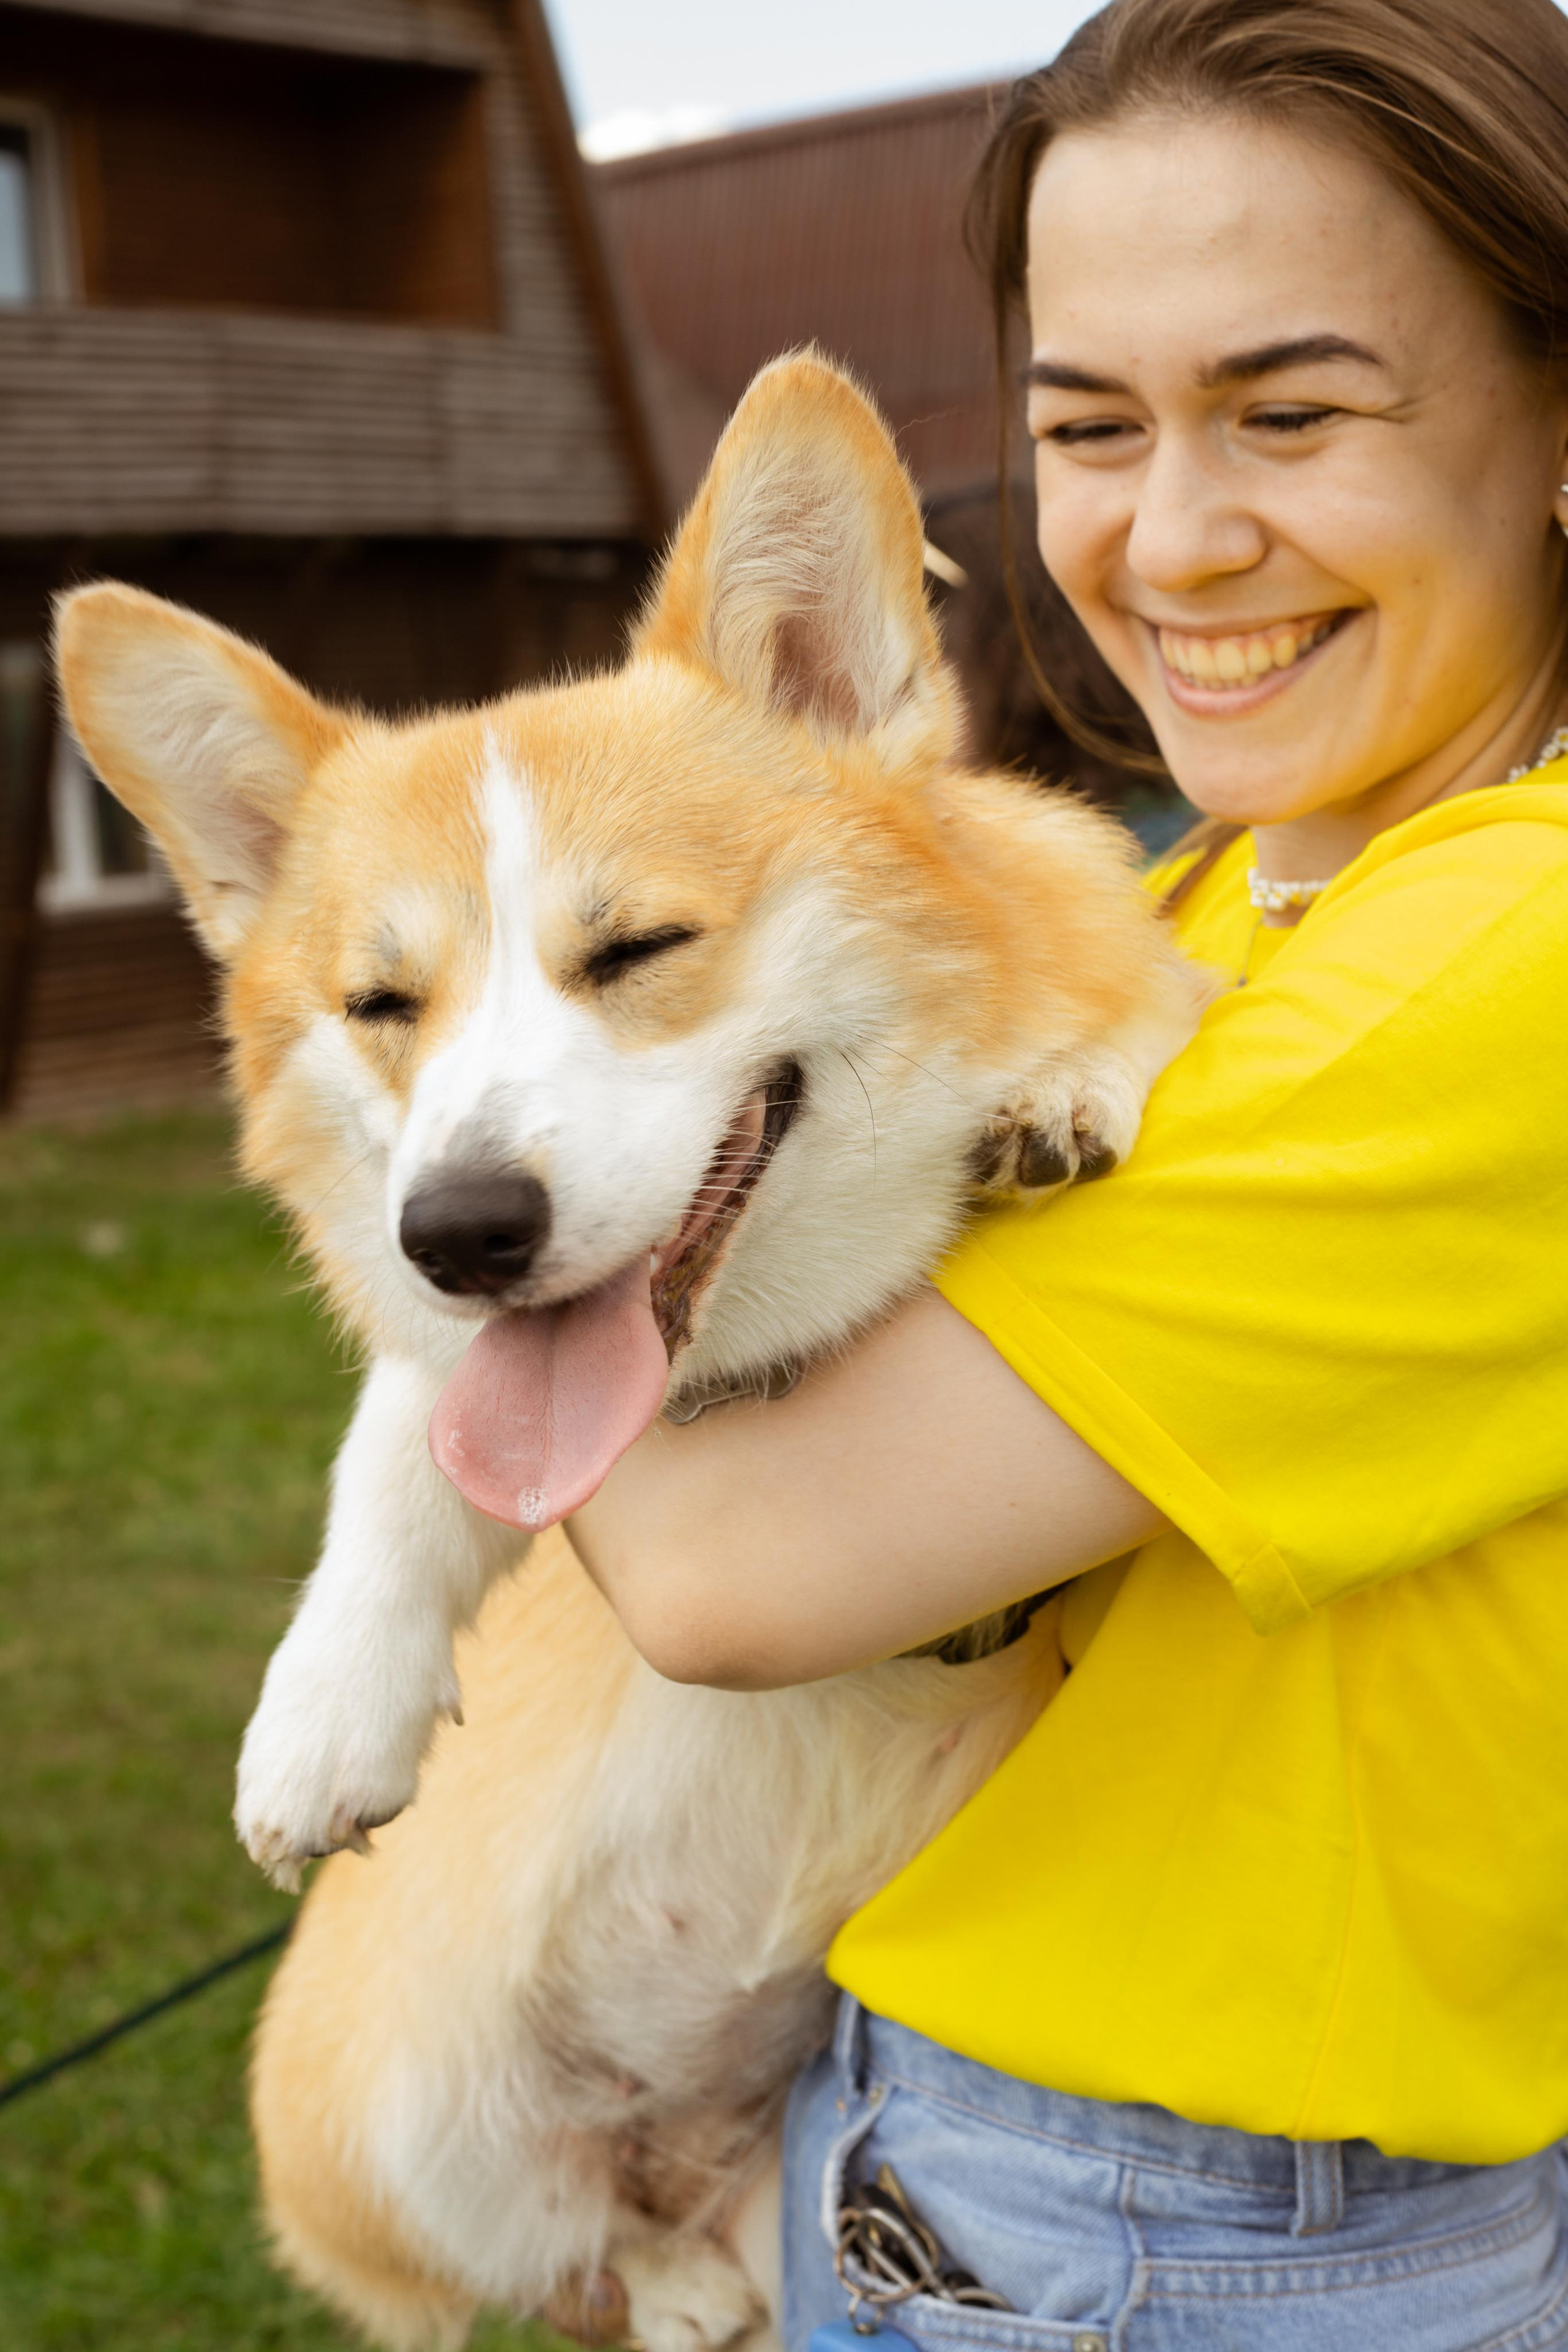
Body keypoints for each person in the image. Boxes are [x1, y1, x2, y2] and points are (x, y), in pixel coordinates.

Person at [570, 1, 1568, 2342]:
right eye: (1089, 428)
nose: (1176, 537)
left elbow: (727, 1558)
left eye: (1294, 412)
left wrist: (474, 1186)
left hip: (1190, 2235)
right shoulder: (1230, 904)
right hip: (1016, 2149)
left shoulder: (1498, 958)